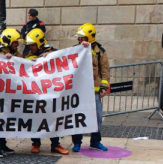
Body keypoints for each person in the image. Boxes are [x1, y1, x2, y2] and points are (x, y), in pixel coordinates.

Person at [24, 28, 69, 155]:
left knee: (52, 119)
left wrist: (49, 58)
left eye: (32, 45)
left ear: (39, 44)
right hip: (36, 95)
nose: (30, 47)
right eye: (29, 45)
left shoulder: (52, 52)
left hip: (50, 95)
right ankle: (36, 143)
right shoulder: (28, 56)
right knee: (36, 119)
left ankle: (55, 144)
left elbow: (65, 57)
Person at [71, 23, 109, 152]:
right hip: (79, 91)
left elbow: (105, 71)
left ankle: (95, 141)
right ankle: (77, 143)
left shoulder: (100, 52)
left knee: (97, 118)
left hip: (94, 92)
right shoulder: (75, 49)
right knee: (78, 117)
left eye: (81, 38)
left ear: (88, 38)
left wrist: (104, 87)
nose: (79, 40)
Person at [0, 28, 22, 158]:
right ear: (8, 42)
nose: (17, 44)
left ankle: (2, 144)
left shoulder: (17, 54)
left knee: (5, 121)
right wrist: (4, 59)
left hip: (10, 94)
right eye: (15, 42)